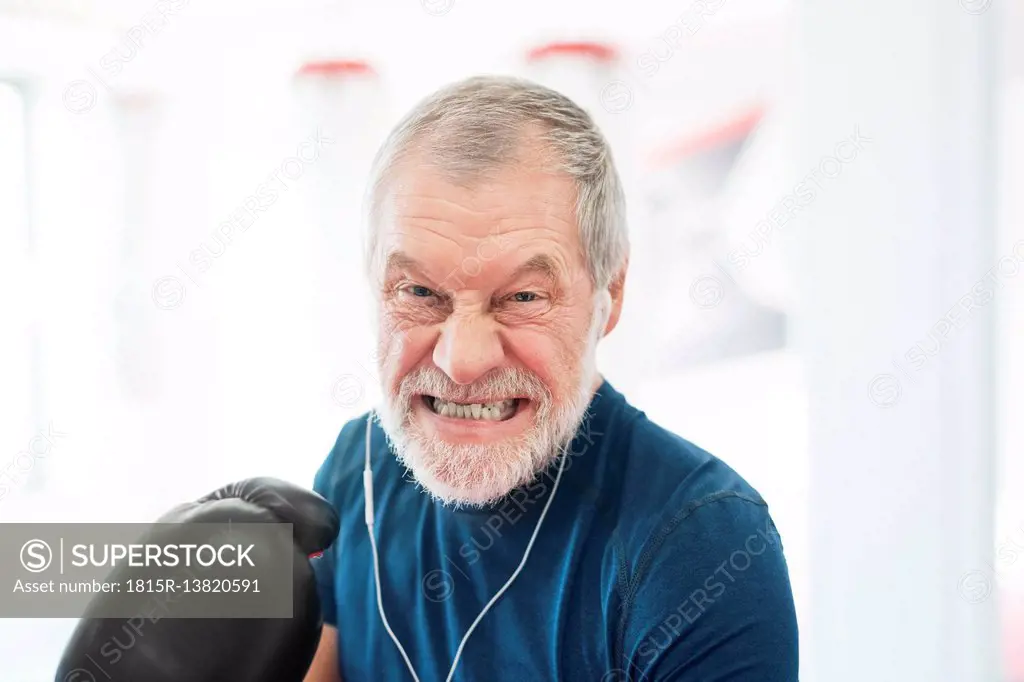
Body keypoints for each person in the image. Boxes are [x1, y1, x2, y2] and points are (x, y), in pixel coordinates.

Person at [303, 75, 798, 682]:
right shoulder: (359, 468)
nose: (462, 361)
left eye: (522, 296)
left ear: (609, 296)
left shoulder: (700, 542)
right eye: (420, 292)